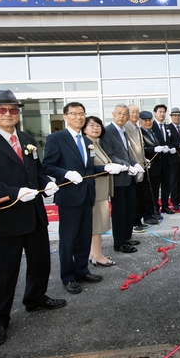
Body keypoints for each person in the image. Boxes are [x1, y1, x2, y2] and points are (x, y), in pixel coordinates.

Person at [0, 90, 64, 347]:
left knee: (40, 262)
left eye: (13, 109)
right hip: (5, 216)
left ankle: (35, 298)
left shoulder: (27, 137)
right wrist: (13, 192)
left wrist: (47, 182)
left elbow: (37, 170)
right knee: (2, 272)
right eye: (2, 110)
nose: (8, 114)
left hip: (34, 214)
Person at [43, 103, 120, 294]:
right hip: (69, 196)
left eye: (81, 114)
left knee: (84, 235)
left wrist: (105, 169)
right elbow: (48, 165)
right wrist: (66, 173)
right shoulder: (57, 138)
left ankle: (82, 270)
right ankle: (67, 276)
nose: (78, 117)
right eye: (74, 114)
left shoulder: (86, 140)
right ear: (65, 117)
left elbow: (88, 170)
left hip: (87, 194)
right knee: (69, 238)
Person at [100, 104, 144, 253]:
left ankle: (127, 237)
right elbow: (110, 155)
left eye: (125, 114)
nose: (122, 116)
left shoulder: (123, 131)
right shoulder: (107, 131)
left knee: (130, 209)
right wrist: (127, 166)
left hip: (129, 177)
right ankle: (119, 242)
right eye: (119, 113)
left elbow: (126, 153)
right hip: (118, 178)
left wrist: (136, 164)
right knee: (119, 212)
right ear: (113, 114)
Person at [82, 115, 116, 267]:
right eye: (92, 125)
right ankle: (97, 254)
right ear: (84, 128)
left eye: (98, 125)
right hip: (94, 191)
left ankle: (93, 252)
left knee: (98, 224)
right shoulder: (86, 144)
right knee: (97, 225)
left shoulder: (97, 143)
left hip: (101, 191)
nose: (96, 128)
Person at [125, 104, 148, 233]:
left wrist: (145, 160)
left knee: (140, 196)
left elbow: (140, 147)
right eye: (132, 112)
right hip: (132, 167)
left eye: (137, 112)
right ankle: (134, 222)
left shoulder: (137, 128)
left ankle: (139, 219)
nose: (135, 114)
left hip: (141, 166)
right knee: (133, 197)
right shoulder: (126, 128)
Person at [140, 110, 163, 225]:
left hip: (156, 168)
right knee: (147, 193)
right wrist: (153, 150)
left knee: (154, 192)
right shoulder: (140, 133)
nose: (148, 122)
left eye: (149, 120)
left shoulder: (152, 132)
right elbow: (140, 150)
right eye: (145, 120)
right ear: (141, 122)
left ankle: (154, 211)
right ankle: (148, 215)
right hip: (148, 167)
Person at [152, 104, 174, 214]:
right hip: (156, 160)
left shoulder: (167, 127)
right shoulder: (151, 126)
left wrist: (170, 148)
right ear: (155, 113)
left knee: (166, 185)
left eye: (164, 112)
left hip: (167, 160)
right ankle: (156, 207)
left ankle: (165, 205)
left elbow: (169, 142)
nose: (162, 114)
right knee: (156, 186)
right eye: (160, 112)